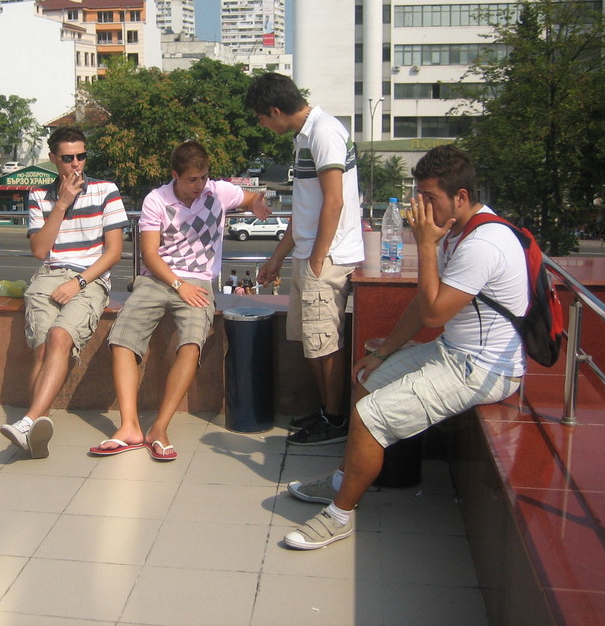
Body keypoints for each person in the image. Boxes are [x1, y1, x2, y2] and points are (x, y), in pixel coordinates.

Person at [283, 145, 527, 549]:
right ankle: (342, 480)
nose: (422, 208)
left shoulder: (483, 243)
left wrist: (425, 245)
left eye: (429, 197)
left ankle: (339, 516)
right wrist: (381, 354)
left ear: (460, 197)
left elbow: (433, 313)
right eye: (419, 196)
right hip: (454, 352)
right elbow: (421, 304)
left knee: (370, 416)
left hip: (483, 370)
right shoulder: (458, 232)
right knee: (366, 380)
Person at [92, 141, 271, 460]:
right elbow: (149, 253)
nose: (199, 185)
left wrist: (256, 203)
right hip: (158, 277)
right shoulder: (156, 199)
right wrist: (177, 284)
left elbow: (249, 198)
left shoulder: (218, 192)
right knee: (121, 339)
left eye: (204, 177)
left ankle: (159, 429)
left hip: (199, 281)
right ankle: (129, 426)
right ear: (175, 175)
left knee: (191, 344)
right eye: (192, 179)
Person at [247, 73, 364, 445]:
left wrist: (317, 259)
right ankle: (326, 409)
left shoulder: (324, 132)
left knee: (325, 343)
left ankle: (335, 419)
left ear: (275, 110)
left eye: (262, 118)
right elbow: (306, 210)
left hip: (326, 257)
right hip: (309, 254)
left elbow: (334, 201)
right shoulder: (305, 137)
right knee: (312, 342)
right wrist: (277, 258)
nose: (262, 125)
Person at [0, 126, 129, 458]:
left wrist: (79, 282)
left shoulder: (105, 191)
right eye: (68, 158)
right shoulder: (39, 195)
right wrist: (62, 204)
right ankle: (33, 433)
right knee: (43, 348)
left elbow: (114, 252)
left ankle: (28, 420)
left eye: (81, 156)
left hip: (90, 279)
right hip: (49, 274)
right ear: (53, 159)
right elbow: (40, 250)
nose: (76, 164)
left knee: (60, 336)